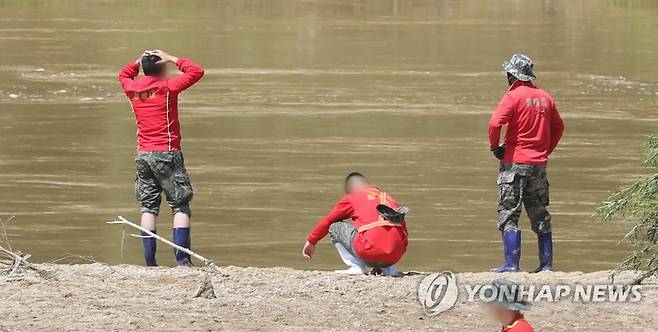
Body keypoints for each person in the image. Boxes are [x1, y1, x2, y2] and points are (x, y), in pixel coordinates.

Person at [118, 50, 204, 266]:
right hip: (167, 152)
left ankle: (150, 264)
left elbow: (123, 75)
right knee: (180, 204)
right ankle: (182, 261)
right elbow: (197, 71)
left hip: (143, 155)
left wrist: (138, 61)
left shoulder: (132, 88)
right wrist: (173, 58)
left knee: (148, 207)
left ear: (144, 69)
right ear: (163, 69)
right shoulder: (167, 87)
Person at [488, 53, 565, 273]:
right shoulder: (545, 97)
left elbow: (495, 123)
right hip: (538, 165)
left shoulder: (513, 96)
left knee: (509, 213)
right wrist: (545, 150)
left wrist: (495, 147)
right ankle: (546, 265)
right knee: (540, 213)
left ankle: (511, 264)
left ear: (512, 75)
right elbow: (559, 128)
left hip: (514, 164)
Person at [302, 173, 409, 276]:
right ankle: (389, 269)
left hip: (369, 251)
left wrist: (311, 241)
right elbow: (403, 232)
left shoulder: (353, 197)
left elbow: (328, 221)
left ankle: (356, 267)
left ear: (351, 189)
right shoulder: (389, 198)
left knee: (334, 226)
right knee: (390, 230)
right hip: (395, 255)